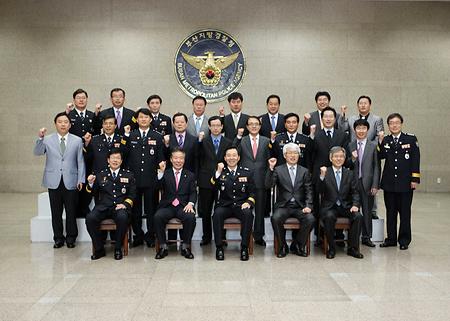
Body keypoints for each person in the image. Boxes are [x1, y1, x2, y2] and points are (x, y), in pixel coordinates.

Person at [33, 112, 85, 248]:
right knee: (55, 212)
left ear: (70, 125)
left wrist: (81, 179)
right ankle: (58, 238)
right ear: (55, 124)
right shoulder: (47, 139)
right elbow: (38, 152)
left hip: (71, 180)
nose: (63, 124)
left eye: (65, 122)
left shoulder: (77, 140)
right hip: (53, 180)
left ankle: (71, 238)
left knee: (71, 211)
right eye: (60, 122)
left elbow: (80, 161)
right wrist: (40, 137)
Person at [378, 113, 420, 250]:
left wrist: (415, 178)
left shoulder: (411, 139)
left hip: (405, 183)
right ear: (388, 125)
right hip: (389, 183)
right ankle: (391, 239)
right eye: (391, 123)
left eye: (397, 122)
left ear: (401, 124)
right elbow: (381, 156)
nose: (394, 125)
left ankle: (404, 240)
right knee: (390, 212)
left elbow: (415, 160)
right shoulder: (386, 140)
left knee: (405, 213)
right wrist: (380, 142)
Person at [265, 143, 315, 258]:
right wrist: (271, 168)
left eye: (295, 153)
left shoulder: (304, 171)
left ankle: (297, 244)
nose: (293, 156)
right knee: (276, 218)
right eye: (290, 153)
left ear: (299, 155)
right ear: (285, 155)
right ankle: (282, 246)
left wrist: (308, 206)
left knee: (310, 219)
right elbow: (268, 185)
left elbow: (309, 190)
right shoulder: (278, 170)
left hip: (300, 206)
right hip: (284, 206)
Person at [124, 108, 165, 248]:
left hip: (151, 179)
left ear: (150, 119)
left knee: (150, 209)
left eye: (146, 117)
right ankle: (138, 235)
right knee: (135, 209)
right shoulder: (131, 135)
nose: (143, 120)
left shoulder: (157, 136)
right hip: (134, 179)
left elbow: (160, 158)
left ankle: (150, 235)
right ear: (137, 119)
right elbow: (125, 156)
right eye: (141, 117)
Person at [85, 149, 136, 260]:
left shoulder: (128, 175)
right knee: (90, 218)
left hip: (119, 207)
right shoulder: (100, 175)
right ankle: (99, 249)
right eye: (113, 158)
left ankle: (118, 248)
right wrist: (90, 183)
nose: (115, 160)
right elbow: (92, 192)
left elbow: (132, 195)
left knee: (123, 217)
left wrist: (125, 205)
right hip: (103, 207)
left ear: (121, 161)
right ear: (108, 160)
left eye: (118, 158)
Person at [233, 116, 273, 246]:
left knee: (260, 210)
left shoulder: (267, 141)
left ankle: (259, 236)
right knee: (245, 210)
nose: (254, 126)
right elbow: (233, 154)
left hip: (261, 180)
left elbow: (271, 159)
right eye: (251, 124)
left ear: (260, 126)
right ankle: (245, 235)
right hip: (245, 182)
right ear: (247, 127)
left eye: (256, 124)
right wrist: (237, 137)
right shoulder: (242, 141)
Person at [319, 147, 363, 259]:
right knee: (329, 216)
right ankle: (332, 248)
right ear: (330, 158)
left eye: (341, 156)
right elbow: (319, 191)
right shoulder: (325, 172)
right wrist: (322, 177)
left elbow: (355, 192)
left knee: (358, 216)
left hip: (346, 206)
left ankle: (353, 248)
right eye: (336, 156)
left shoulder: (350, 173)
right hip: (330, 207)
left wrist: (355, 205)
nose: (338, 159)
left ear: (344, 158)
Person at [211, 146, 255, 261]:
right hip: (225, 205)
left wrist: (249, 202)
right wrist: (218, 172)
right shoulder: (220, 172)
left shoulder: (247, 172)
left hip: (241, 205)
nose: (231, 158)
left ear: (238, 157)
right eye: (229, 156)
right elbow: (212, 187)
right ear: (225, 158)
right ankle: (219, 247)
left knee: (248, 214)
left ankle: (244, 247)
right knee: (217, 214)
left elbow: (253, 192)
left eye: (234, 155)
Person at [154, 148, 197, 259]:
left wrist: (191, 203)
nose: (178, 161)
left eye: (181, 158)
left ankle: (185, 247)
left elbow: (193, 192)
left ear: (184, 160)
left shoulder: (190, 175)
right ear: (171, 160)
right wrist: (161, 173)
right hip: (167, 206)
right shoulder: (165, 173)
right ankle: (163, 247)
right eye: (176, 158)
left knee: (190, 217)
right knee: (158, 217)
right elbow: (157, 187)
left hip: (183, 206)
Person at [346, 95, 384, 219]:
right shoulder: (351, 119)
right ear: (357, 105)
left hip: (370, 151)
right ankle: (354, 206)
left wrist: (370, 146)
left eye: (365, 103)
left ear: (370, 105)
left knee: (370, 182)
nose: (363, 105)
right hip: (355, 151)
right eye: (360, 103)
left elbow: (380, 135)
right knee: (355, 183)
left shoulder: (377, 119)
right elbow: (346, 132)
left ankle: (372, 211)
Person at [197, 116, 232, 246]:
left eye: (218, 125)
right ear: (209, 127)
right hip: (205, 181)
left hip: (223, 180)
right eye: (213, 125)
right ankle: (206, 236)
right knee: (206, 210)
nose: (216, 128)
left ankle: (222, 237)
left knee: (221, 209)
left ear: (222, 127)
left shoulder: (228, 142)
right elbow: (198, 159)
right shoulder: (203, 142)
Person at [66, 88, 99, 218]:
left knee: (88, 180)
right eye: (78, 98)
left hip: (90, 155)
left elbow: (98, 130)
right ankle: (76, 209)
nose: (81, 100)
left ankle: (84, 208)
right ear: (74, 100)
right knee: (75, 181)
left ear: (87, 99)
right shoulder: (69, 116)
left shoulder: (92, 115)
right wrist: (66, 112)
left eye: (83, 97)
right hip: (73, 155)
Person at [348, 119, 380, 247]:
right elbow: (347, 164)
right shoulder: (350, 145)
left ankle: (367, 237)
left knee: (367, 211)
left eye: (363, 128)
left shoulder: (373, 146)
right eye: (358, 128)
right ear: (354, 130)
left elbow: (377, 166)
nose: (361, 131)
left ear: (367, 130)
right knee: (354, 211)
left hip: (368, 183)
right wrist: (353, 159)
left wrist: (375, 185)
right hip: (353, 183)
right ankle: (353, 237)